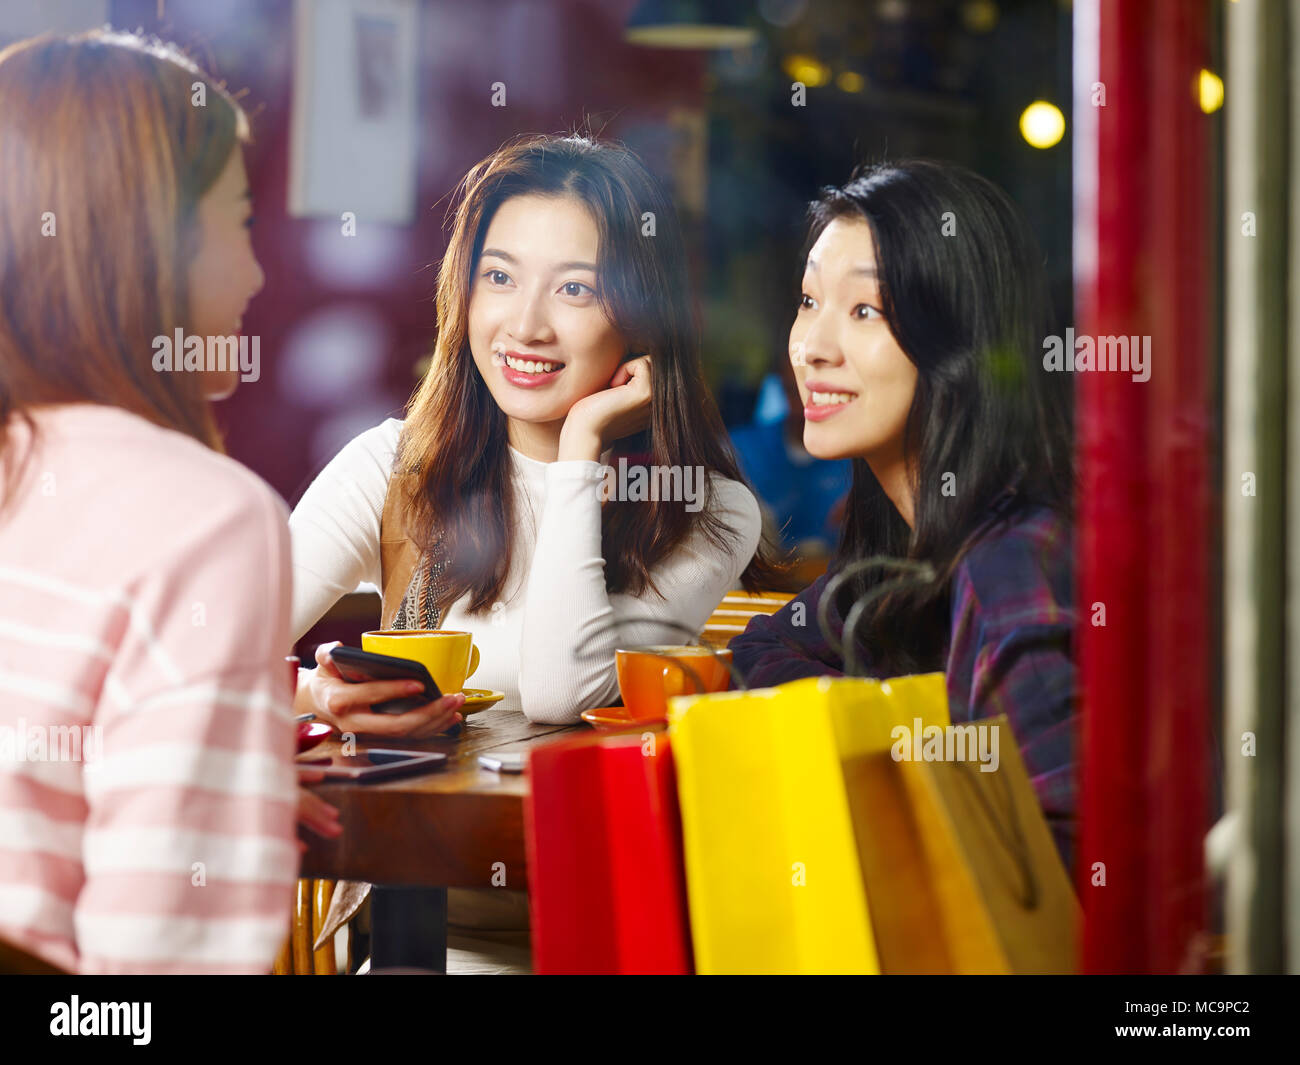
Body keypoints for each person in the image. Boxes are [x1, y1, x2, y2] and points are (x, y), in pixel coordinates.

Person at [0, 30, 328, 973]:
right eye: (239, 223)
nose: (259, 275)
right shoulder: (209, 516)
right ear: (148, 243)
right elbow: (158, 971)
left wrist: (240, 747)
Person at [290, 134, 769, 731]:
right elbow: (207, 656)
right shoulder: (393, 465)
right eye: (499, 277)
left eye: (576, 288)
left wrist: (579, 451)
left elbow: (559, 695)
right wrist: (315, 694)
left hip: (579, 819)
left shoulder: (704, 509)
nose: (524, 325)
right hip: (402, 817)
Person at [728, 160, 1078, 872]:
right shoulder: (907, 542)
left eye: (865, 311)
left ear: (958, 342)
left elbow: (1068, 855)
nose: (812, 347)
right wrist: (898, 729)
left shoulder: (1014, 555)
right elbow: (761, 645)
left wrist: (893, 744)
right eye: (807, 300)